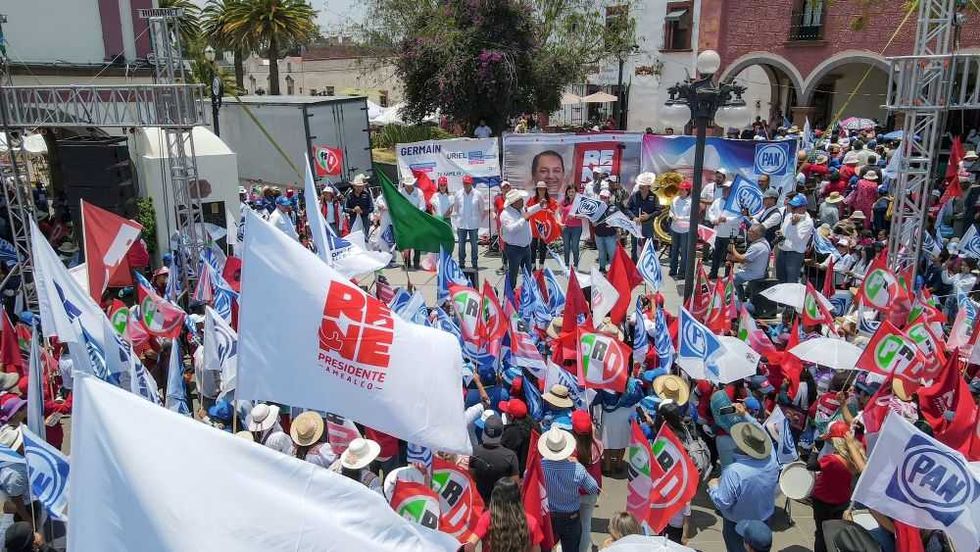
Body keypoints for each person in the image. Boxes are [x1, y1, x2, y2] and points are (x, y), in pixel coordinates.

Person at [708, 421, 779, 552]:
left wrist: (713, 487)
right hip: (765, 518)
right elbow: (762, 433)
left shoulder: (734, 472)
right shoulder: (772, 460)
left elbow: (723, 502)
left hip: (737, 525)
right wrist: (746, 415)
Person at [806, 421, 867, 552]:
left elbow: (810, 465)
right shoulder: (855, 456)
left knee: (821, 533)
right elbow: (861, 446)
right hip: (842, 501)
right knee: (835, 532)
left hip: (822, 501)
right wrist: (860, 433)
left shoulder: (831, 459)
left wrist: (816, 448)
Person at [538, 427, 600, 552]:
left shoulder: (539, 467)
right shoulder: (577, 469)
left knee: (546, 548)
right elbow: (593, 488)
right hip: (571, 517)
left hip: (549, 516)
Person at [465, 478, 543, 552]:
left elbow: (469, 546)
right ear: (518, 496)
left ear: (494, 497)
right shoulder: (531, 521)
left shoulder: (487, 517)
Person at [571, 410, 603, 552]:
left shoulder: (571, 448)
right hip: (591, 492)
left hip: (574, 493)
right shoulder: (598, 445)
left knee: (571, 526)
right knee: (586, 525)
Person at [469, 414, 520, 503]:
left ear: (484, 432)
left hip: (480, 502)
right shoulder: (511, 456)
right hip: (501, 504)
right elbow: (514, 484)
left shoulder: (473, 451)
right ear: (502, 433)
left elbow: (472, 476)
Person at [500, 189, 538, 288]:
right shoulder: (505, 214)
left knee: (528, 273)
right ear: (514, 202)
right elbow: (511, 229)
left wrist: (540, 206)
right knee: (513, 275)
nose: (522, 200)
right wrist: (524, 219)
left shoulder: (522, 209)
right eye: (520, 199)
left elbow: (530, 210)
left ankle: (527, 294)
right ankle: (509, 298)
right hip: (514, 249)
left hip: (526, 247)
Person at [729, 224, 772, 302]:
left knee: (732, 279)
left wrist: (733, 249)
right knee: (737, 274)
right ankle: (743, 296)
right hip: (757, 271)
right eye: (749, 230)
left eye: (751, 232)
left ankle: (741, 299)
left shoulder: (757, 246)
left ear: (758, 234)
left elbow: (742, 259)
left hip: (754, 274)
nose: (748, 233)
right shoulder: (764, 241)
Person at [776, 194, 814, 283]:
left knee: (791, 281)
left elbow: (797, 239)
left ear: (803, 208)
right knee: (780, 279)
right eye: (791, 206)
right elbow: (783, 230)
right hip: (782, 250)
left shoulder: (807, 222)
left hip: (794, 254)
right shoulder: (789, 216)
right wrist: (779, 232)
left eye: (794, 207)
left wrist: (794, 225)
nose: (791, 209)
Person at [707, 180, 739, 279]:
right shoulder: (717, 201)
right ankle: (713, 273)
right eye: (724, 189)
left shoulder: (736, 203)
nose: (725, 191)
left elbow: (739, 218)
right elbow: (711, 212)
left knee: (729, 257)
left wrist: (727, 220)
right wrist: (713, 220)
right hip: (718, 233)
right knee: (716, 255)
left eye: (727, 189)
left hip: (730, 234)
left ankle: (727, 275)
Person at [627, 172, 661, 261]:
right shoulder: (634, 195)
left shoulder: (654, 197)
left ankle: (646, 265)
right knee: (634, 246)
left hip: (648, 225)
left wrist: (648, 216)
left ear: (648, 186)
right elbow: (627, 208)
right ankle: (634, 265)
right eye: (640, 185)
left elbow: (658, 211)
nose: (640, 187)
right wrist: (633, 217)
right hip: (635, 224)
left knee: (647, 246)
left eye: (643, 185)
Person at [453, 175, 484, 270]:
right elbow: (456, 208)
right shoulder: (458, 194)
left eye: (467, 183)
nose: (466, 185)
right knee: (461, 245)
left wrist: (476, 219)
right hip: (461, 224)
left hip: (473, 224)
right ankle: (461, 264)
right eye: (464, 183)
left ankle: (474, 264)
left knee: (474, 245)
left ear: (471, 183)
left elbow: (481, 209)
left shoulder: (478, 194)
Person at [527, 182, 558, 270]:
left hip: (545, 228)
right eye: (540, 189)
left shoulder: (550, 200)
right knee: (532, 246)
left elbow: (555, 209)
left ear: (546, 190)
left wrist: (550, 211)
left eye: (543, 189)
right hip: (534, 227)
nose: (541, 190)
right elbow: (528, 210)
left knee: (543, 247)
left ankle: (541, 266)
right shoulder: (533, 199)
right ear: (537, 190)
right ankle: (533, 265)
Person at [499, 398, 535, 473]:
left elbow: (505, 454)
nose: (504, 413)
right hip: (531, 468)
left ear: (511, 416)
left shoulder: (512, 433)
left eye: (506, 412)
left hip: (517, 472)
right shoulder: (534, 424)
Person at [400, 177, 426, 269]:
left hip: (417, 219)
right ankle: (407, 262)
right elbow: (399, 205)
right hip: (406, 220)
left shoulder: (419, 192)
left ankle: (416, 262)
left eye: (410, 184)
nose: (408, 186)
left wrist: (415, 213)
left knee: (417, 241)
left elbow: (423, 207)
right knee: (407, 242)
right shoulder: (401, 192)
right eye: (407, 184)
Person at [669, 181, 692, 278]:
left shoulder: (691, 202)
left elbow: (691, 216)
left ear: (688, 191)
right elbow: (671, 211)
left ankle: (682, 272)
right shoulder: (675, 200)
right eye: (680, 189)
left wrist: (680, 219)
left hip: (685, 230)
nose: (680, 191)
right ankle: (673, 269)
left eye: (683, 190)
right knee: (674, 250)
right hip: (675, 228)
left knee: (684, 252)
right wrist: (672, 216)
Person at [594, 190, 619, 272]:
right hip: (598, 234)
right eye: (601, 197)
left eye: (605, 197)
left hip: (610, 235)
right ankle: (602, 269)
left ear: (608, 198)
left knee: (612, 254)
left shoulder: (614, 208)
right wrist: (593, 222)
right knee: (601, 253)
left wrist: (614, 225)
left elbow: (619, 220)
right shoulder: (596, 207)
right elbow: (591, 218)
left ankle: (613, 271)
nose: (603, 199)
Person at [560, 186, 584, 271]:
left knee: (575, 247)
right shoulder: (564, 202)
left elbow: (583, 216)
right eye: (569, 192)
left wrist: (575, 216)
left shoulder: (579, 202)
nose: (571, 193)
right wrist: (560, 224)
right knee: (566, 247)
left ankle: (576, 265)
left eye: (573, 192)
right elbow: (560, 213)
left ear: (576, 193)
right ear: (567, 192)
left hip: (576, 228)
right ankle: (566, 265)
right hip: (566, 227)